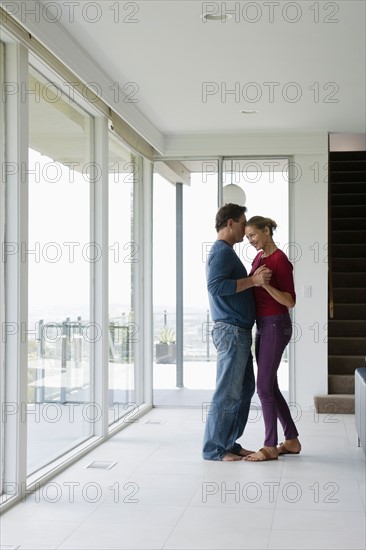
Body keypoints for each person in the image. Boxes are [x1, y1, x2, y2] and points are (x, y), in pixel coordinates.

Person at [202, 204, 272, 461]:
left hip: (238, 331)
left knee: (243, 391)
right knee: (227, 392)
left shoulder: (227, 252)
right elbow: (216, 286)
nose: (246, 228)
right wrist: (253, 281)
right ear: (230, 223)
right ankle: (214, 449)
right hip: (231, 331)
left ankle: (229, 442)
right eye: (243, 223)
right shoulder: (221, 252)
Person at [243, 216, 301, 462]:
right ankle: (291, 440)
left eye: (253, 235)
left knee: (263, 387)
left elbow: (290, 301)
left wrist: (265, 286)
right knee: (270, 385)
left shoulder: (280, 260)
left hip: (277, 324)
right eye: (247, 238)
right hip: (263, 326)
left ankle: (269, 446)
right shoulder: (259, 258)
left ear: (266, 231)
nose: (250, 241)